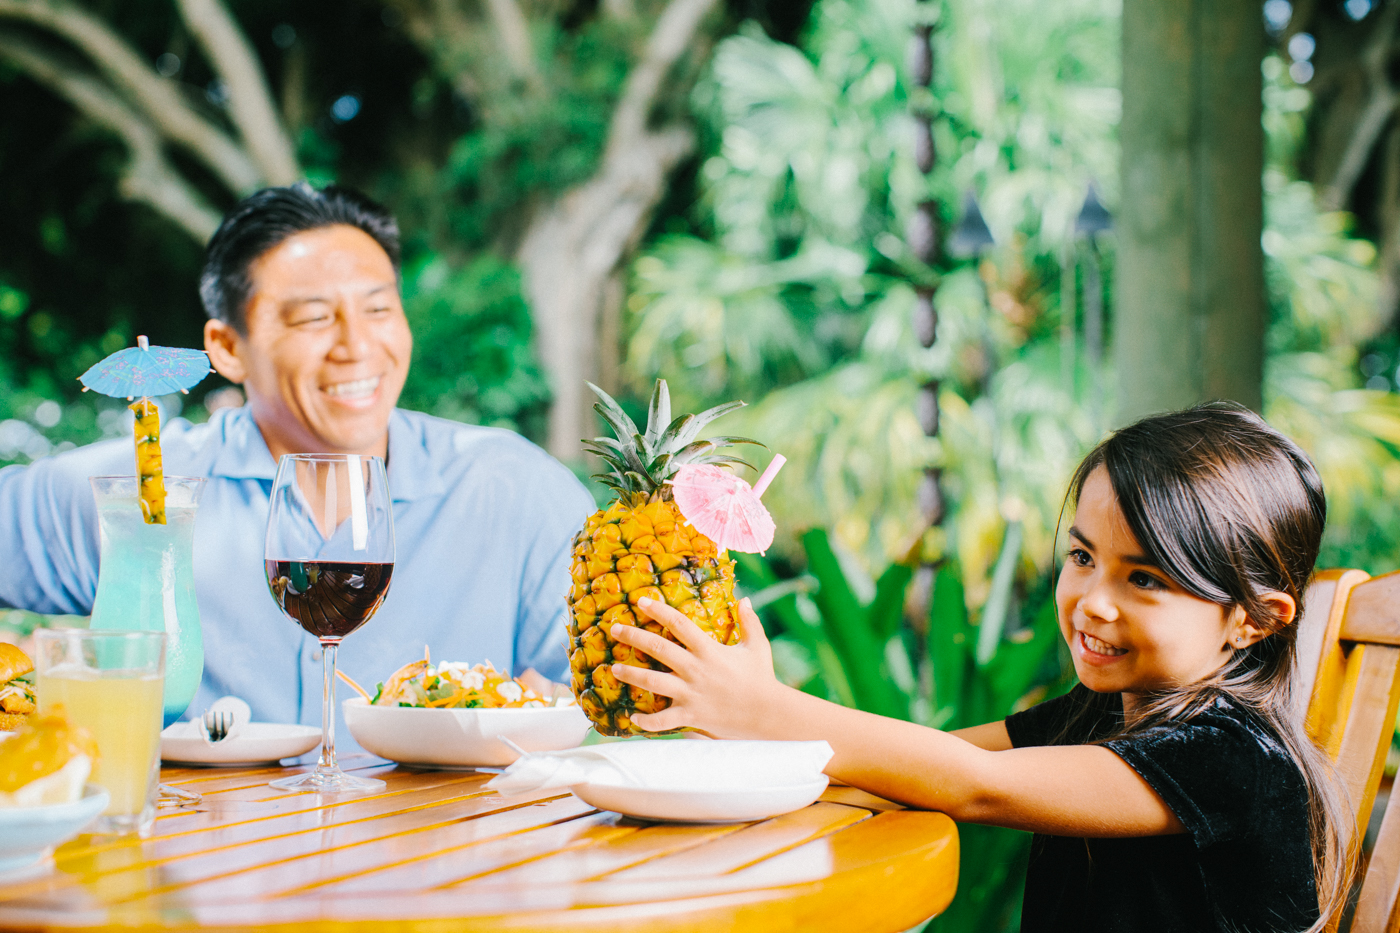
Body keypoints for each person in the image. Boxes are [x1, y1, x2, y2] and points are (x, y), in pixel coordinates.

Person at [608, 402, 1350, 933]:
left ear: (1253, 618)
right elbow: (926, 762)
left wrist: (767, 708)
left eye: (1146, 578)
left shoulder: (1233, 758)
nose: (1092, 601)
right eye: (1083, 557)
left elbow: (978, 784)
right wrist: (741, 739)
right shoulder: (1099, 717)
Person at [0, 183, 595, 748]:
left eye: (379, 309)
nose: (357, 346)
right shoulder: (134, 492)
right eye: (314, 318)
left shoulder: (512, 489)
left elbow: (607, 706)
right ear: (228, 348)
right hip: (199, 848)